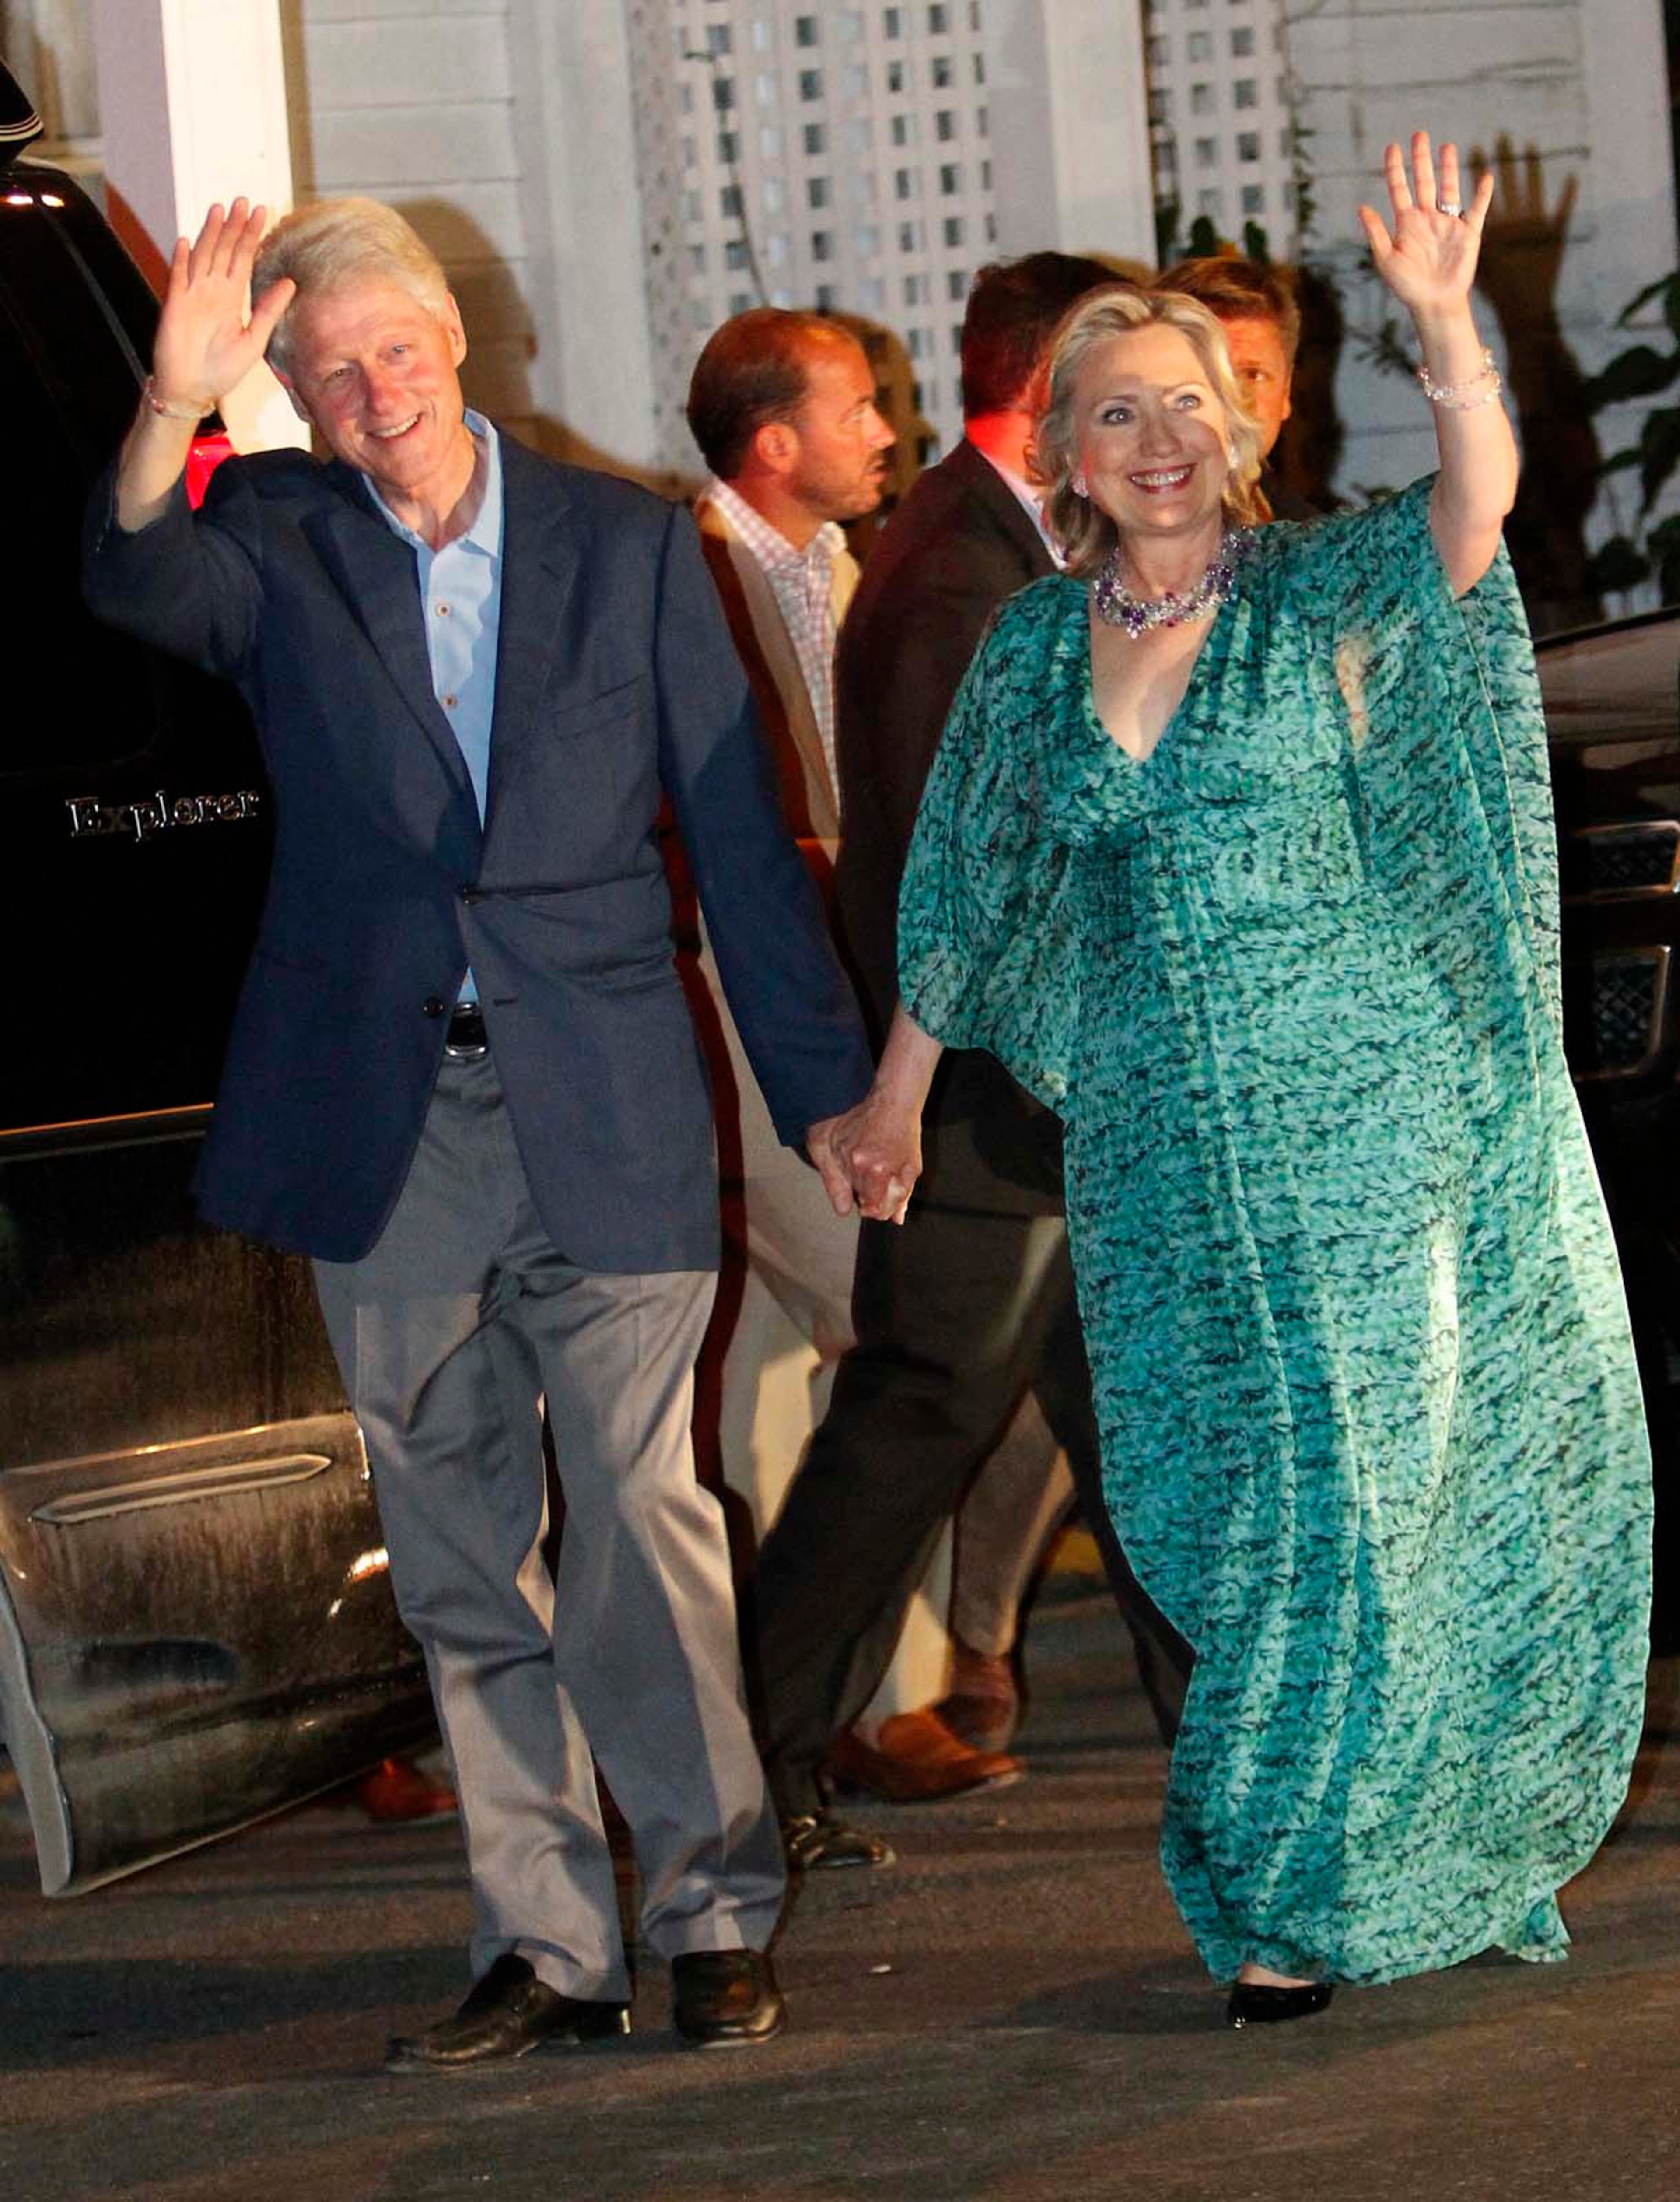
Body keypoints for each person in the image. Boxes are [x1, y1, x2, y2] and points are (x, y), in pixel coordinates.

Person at [826, 133, 1652, 2025]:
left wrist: (1444, 324)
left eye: (1184, 406)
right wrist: (891, 1098)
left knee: (1346, 1494)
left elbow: (1475, 512)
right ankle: (1372, 1835)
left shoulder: (1327, 598)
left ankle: (1285, 1884)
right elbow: (965, 883)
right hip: (1159, 1146)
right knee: (1207, 1494)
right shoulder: (1036, 647)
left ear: (1236, 430)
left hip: (1366, 1120)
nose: (1155, 440)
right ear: (1071, 452)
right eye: (1113, 412)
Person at [83, 196, 875, 2067]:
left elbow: (741, 847)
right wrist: (164, 408)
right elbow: (130, 587)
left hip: (600, 1102)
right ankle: (545, 1942)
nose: (373, 392)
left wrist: (828, 1097)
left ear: (458, 336)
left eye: (395, 350)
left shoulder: (625, 544)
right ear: (293, 391)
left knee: (638, 1520)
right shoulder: (266, 535)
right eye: (327, 370)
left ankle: (709, 1909)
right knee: (454, 1553)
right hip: (383, 1121)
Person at [748, 254, 1193, 1836]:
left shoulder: (993, 546)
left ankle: (1242, 1767)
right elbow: (978, 867)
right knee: (915, 1431)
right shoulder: (957, 573)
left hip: (1048, 1110)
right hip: (995, 1111)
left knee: (1136, 1442)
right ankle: (733, 1769)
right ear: (1058, 385)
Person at [683, 311, 1022, 1853]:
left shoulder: (840, 568)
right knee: (892, 1346)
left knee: (819, 1386)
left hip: (852, 1015)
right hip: (770, 1029)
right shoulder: (691, 571)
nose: (885, 429)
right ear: (773, 441)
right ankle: (808, 1725)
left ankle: (821, 1724)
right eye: (856, 406)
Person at [1155, 253, 1316, 519]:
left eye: (1253, 375)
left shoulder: (1318, 543)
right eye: (1208, 373)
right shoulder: (1101, 540)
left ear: (1286, 392)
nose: (1232, 398)